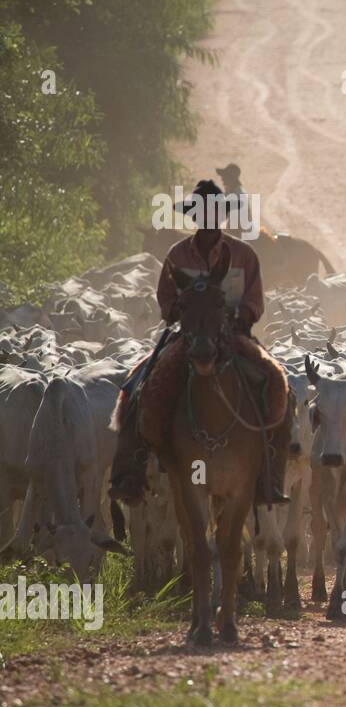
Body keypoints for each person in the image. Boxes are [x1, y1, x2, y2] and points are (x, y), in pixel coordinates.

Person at [109, 178, 289, 507]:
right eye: (200, 215)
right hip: (188, 338)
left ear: (222, 217)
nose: (206, 222)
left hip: (233, 337)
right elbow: (166, 300)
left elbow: (254, 302)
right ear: (193, 217)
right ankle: (131, 470)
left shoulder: (244, 255)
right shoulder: (177, 256)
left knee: (276, 381)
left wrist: (239, 318)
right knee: (138, 384)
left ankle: (269, 476)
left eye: (213, 215)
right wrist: (180, 311)